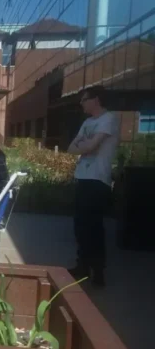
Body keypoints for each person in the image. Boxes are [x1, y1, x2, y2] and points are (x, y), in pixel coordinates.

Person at [67, 86, 119, 287]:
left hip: (98, 180)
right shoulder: (88, 122)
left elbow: (89, 147)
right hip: (83, 177)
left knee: (94, 226)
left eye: (84, 99)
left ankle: (98, 271)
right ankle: (83, 265)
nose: (81, 103)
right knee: (80, 225)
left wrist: (86, 145)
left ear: (96, 100)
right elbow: (71, 149)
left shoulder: (109, 119)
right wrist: (86, 145)